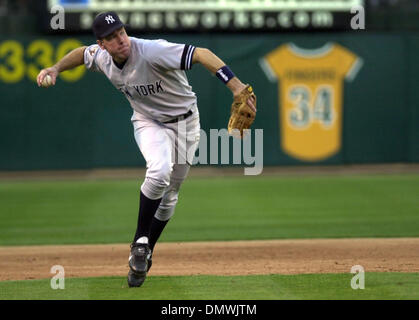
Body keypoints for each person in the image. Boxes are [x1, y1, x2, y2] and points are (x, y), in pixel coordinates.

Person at [37, 11, 256, 288]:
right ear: (102, 44)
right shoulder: (102, 57)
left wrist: (236, 87)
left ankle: (145, 250)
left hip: (186, 123)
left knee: (171, 195)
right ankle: (140, 241)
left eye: (120, 32)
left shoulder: (152, 51)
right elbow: (82, 53)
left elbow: (201, 53)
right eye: (111, 38)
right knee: (159, 172)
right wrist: (55, 68)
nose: (120, 40)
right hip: (147, 122)